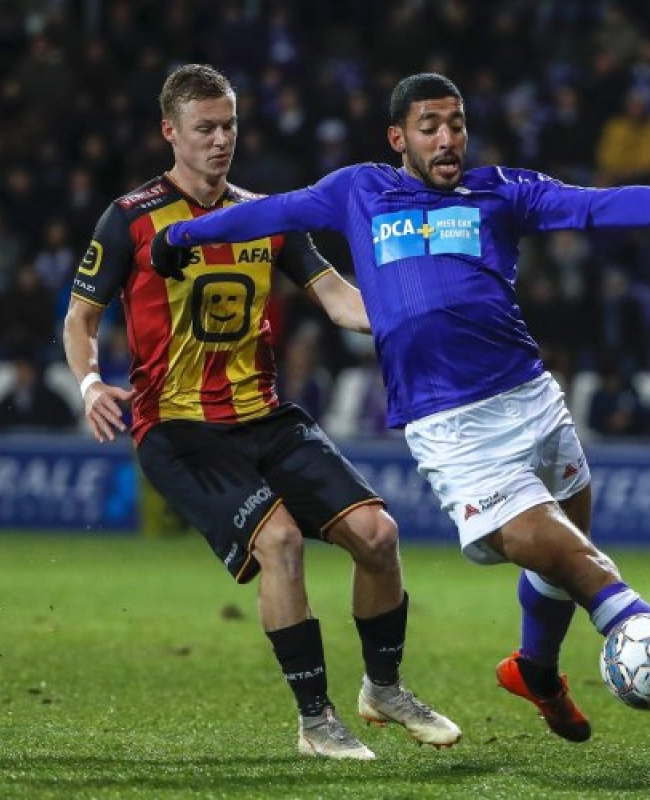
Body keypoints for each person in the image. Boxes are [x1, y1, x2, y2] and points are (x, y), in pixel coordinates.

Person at [151, 72, 650, 750]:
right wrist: (187, 237)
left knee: (563, 562)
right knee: (578, 562)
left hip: (535, 402)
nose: (448, 139)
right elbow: (272, 213)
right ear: (398, 137)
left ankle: (535, 671)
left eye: (456, 124)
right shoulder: (359, 192)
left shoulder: (500, 192)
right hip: (455, 431)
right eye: (430, 127)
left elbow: (595, 206)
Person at [62, 64, 459, 761]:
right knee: (279, 542)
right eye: (205, 129)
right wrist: (91, 383)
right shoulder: (131, 218)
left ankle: (385, 687)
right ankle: (316, 721)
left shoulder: (266, 213)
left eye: (229, 127)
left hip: (266, 416)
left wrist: (410, 314)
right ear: (170, 132)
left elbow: (336, 296)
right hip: (179, 429)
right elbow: (79, 317)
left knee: (379, 534)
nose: (220, 142)